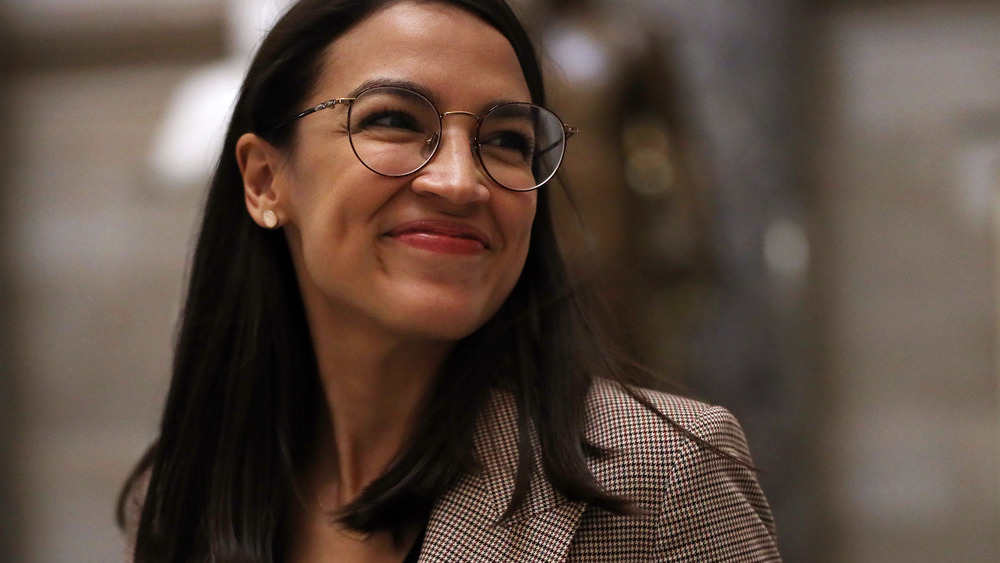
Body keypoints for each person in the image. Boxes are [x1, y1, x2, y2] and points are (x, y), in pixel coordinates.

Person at [118, 0, 781, 561]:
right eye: (394, 121)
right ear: (265, 180)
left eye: (506, 140)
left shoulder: (663, 478)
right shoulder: (182, 494)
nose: (462, 182)